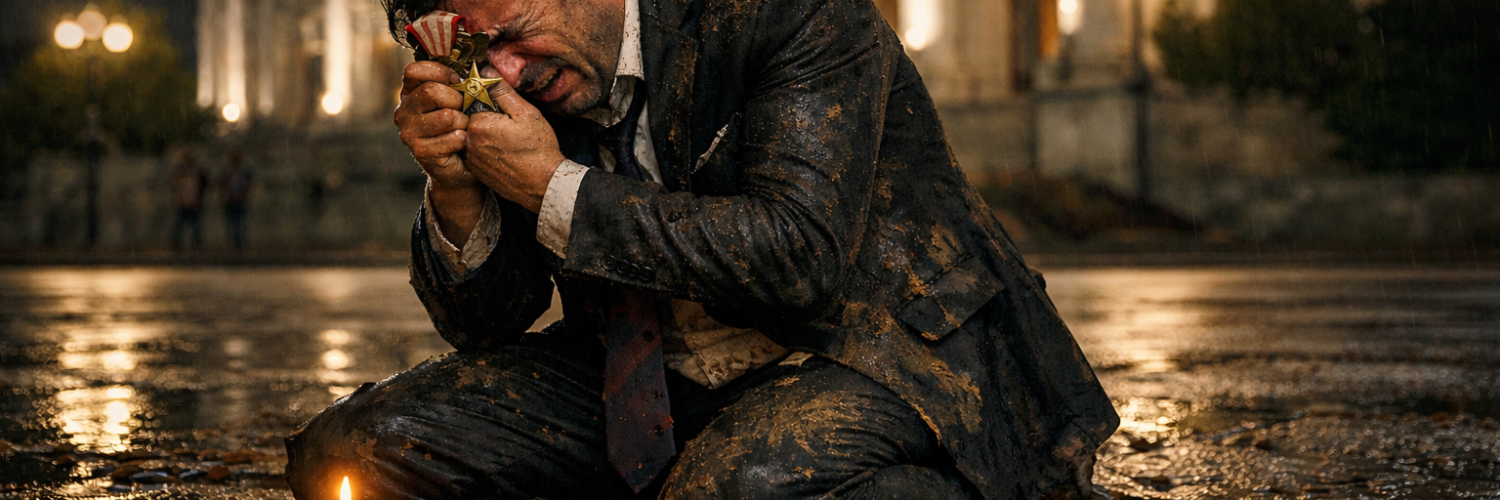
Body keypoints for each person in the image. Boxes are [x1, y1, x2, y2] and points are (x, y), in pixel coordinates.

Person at [285, 0, 1118, 497]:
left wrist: (553, 188)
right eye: (474, 56)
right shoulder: (524, 80)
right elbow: (483, 326)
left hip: (878, 352)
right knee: (349, 451)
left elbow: (798, 255)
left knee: (730, 487)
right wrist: (457, 186)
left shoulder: (783, 10)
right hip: (652, 382)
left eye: (514, 34)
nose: (504, 74)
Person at [169, 150, 208, 252]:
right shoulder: (180, 171)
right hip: (183, 202)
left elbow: (204, 184)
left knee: (195, 225)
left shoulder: (198, 171)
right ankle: (177, 243)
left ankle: (196, 244)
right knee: (179, 224)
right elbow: (174, 185)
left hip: (194, 202)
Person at [219, 148, 253, 251]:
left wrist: (246, 194)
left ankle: (240, 242)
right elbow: (221, 183)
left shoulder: (245, 171)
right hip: (230, 199)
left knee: (240, 221)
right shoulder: (227, 171)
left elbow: (250, 184)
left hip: (240, 199)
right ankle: (233, 241)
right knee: (231, 222)